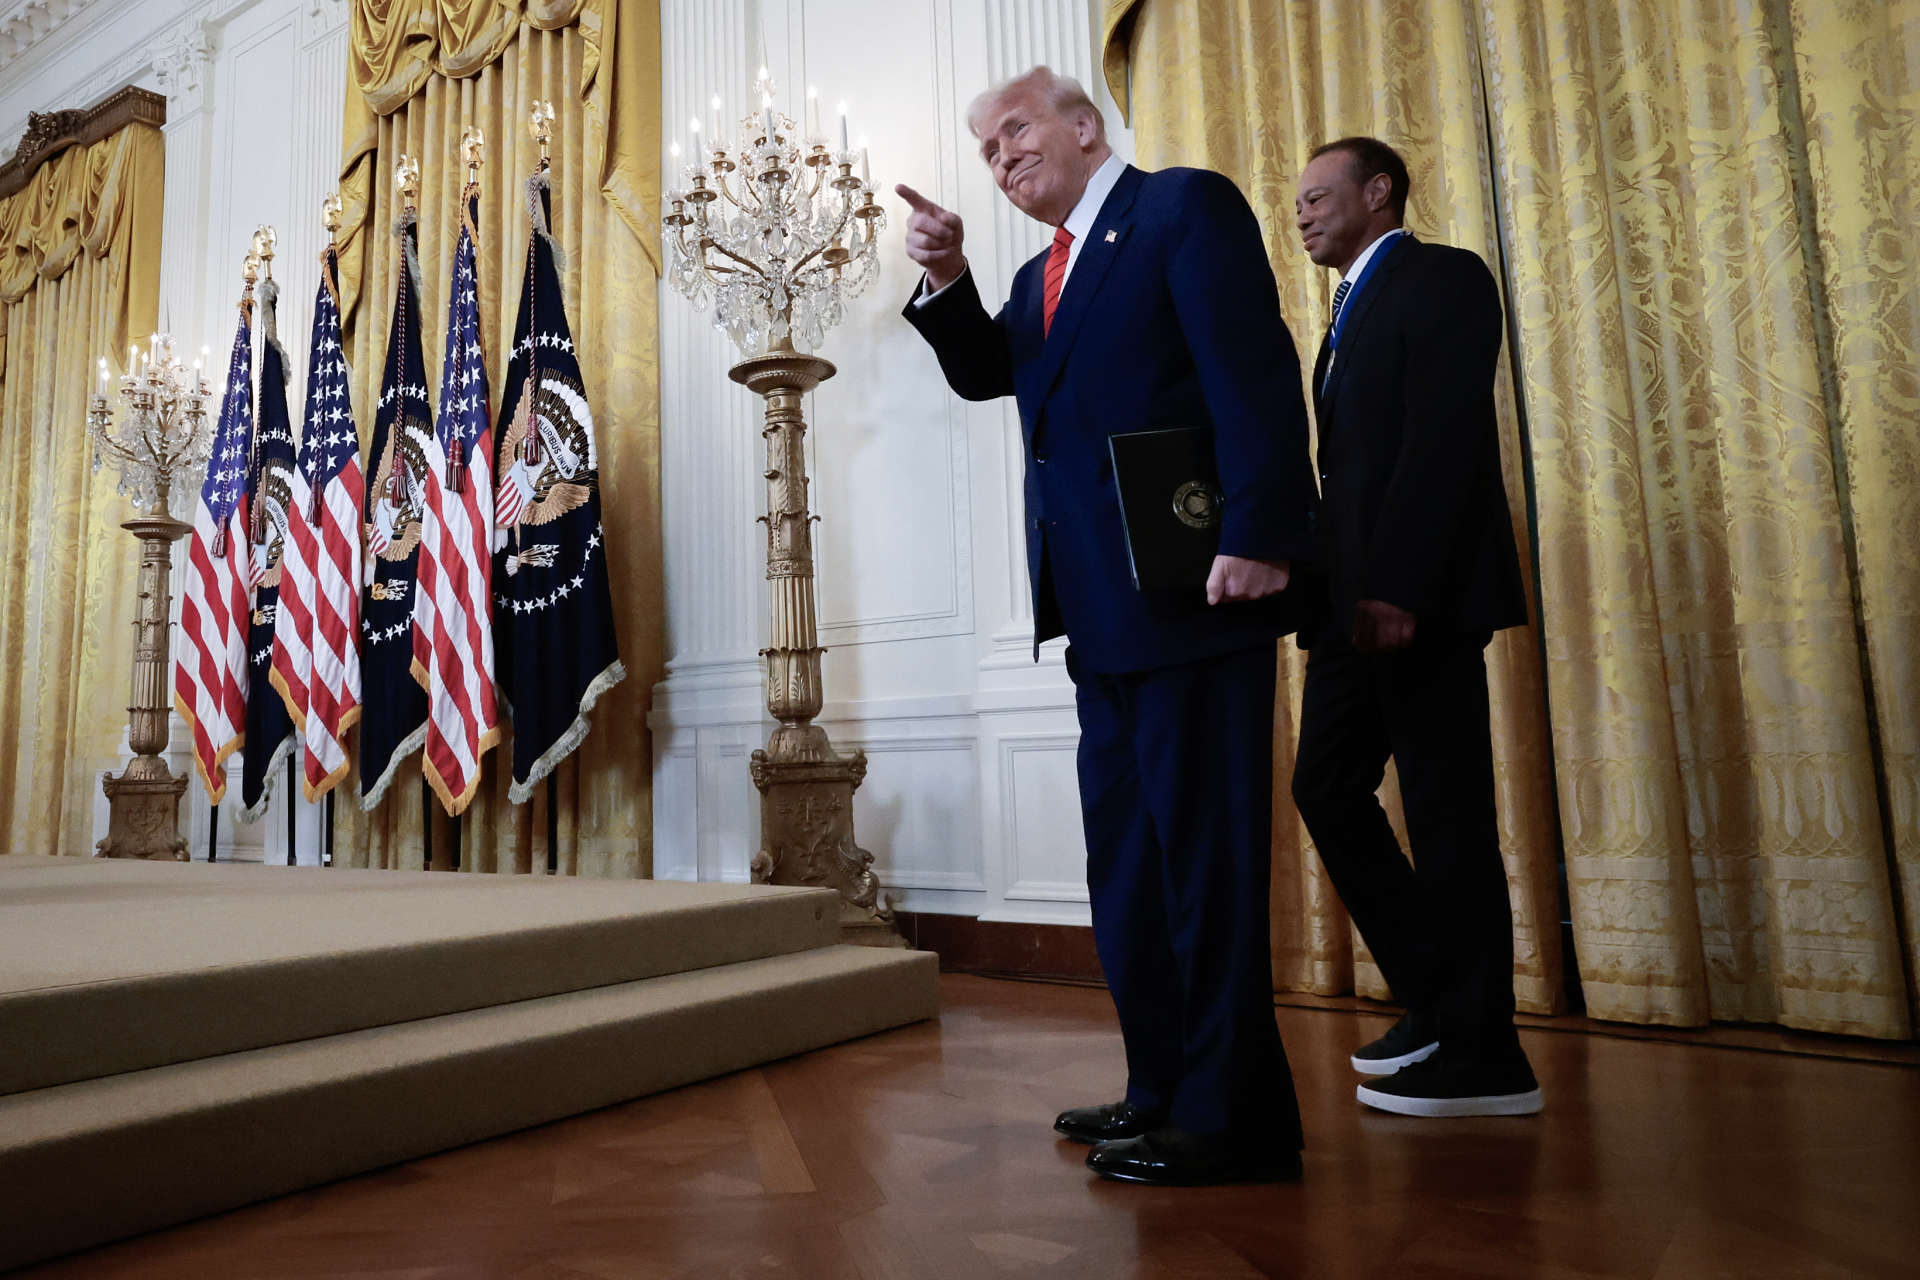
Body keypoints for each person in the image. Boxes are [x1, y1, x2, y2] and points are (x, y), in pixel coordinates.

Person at [896, 66, 1319, 1186]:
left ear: (1084, 127)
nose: (1001, 157)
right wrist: (946, 274)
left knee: (1206, 863)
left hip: (1199, 593)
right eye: (986, 150)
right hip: (1098, 614)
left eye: (1016, 131)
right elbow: (995, 374)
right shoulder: (1044, 274)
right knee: (1131, 864)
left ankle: (1236, 1118)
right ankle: (1164, 1087)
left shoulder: (1180, 207)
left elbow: (1253, 374)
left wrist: (1262, 529)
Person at [1289, 136, 1541, 1117]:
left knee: (1447, 816)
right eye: (1299, 200)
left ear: (1379, 189)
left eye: (1319, 194)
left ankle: (1488, 1054)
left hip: (1419, 601)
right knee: (1325, 785)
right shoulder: (1344, 313)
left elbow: (1442, 436)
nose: (1302, 211)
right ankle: (1443, 1001)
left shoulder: (1442, 276)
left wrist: (1397, 583)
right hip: (1353, 610)